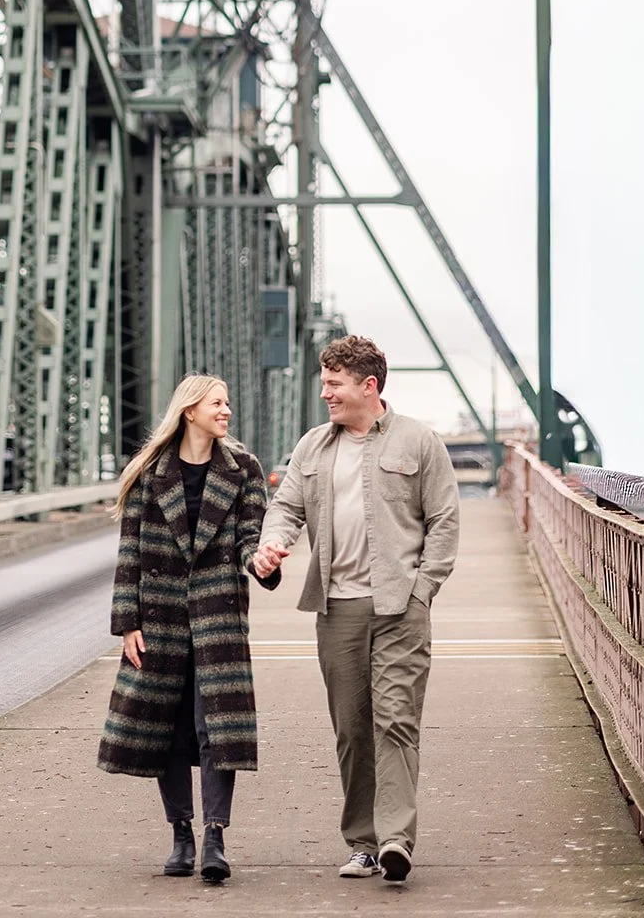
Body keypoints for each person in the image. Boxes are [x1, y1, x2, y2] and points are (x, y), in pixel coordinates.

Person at [252, 334, 459, 887]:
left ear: (369, 386)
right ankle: (362, 844)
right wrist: (270, 545)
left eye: (335, 384)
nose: (326, 394)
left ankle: (394, 839)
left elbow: (444, 521)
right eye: (324, 382)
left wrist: (422, 591)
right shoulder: (314, 447)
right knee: (351, 730)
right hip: (336, 610)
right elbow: (285, 507)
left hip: (399, 609)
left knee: (395, 721)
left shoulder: (419, 442)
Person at [98, 373, 280, 883]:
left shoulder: (243, 469)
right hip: (159, 616)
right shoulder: (150, 472)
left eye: (227, 402)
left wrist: (261, 561)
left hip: (218, 614)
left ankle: (215, 837)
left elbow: (250, 536)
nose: (226, 411)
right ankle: (181, 834)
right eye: (217, 403)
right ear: (190, 411)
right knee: (167, 729)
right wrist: (126, 624)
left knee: (215, 727)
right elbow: (129, 553)